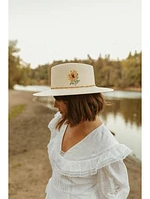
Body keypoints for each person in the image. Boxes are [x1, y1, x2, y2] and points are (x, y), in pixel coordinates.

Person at [33, 63, 132, 199]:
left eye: (57, 99)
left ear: (74, 101)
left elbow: (115, 192)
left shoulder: (105, 144)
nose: (55, 105)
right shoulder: (60, 123)